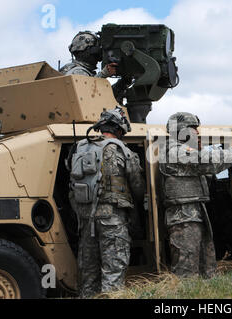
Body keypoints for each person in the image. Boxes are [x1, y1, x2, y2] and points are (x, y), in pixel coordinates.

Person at [69, 107, 145, 297]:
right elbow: (137, 186)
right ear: (119, 129)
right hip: (112, 220)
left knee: (88, 275)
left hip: (86, 221)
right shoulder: (120, 150)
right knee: (113, 273)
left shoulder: (80, 148)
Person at [158, 112, 232, 278]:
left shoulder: (183, 150)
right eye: (193, 128)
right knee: (187, 272)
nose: (197, 132)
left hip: (194, 214)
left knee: (207, 269)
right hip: (183, 218)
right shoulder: (173, 150)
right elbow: (209, 162)